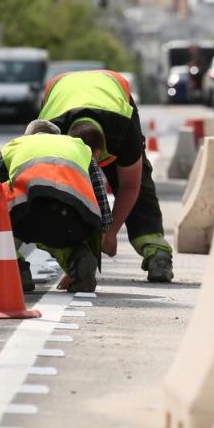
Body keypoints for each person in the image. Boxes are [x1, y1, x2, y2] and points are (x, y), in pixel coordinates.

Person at [39, 69, 174, 282]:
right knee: (44, 192)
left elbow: (131, 185)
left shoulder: (123, 130)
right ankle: (17, 259)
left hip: (113, 93)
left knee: (140, 178)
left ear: (105, 150)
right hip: (60, 93)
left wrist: (110, 232)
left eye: (95, 164)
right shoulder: (50, 133)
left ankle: (156, 252)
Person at [0, 120, 111, 292]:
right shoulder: (78, 147)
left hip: (27, 215)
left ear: (27, 136)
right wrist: (92, 248)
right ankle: (77, 260)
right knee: (62, 218)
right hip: (73, 224)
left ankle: (13, 268)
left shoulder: (14, 145)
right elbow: (102, 206)